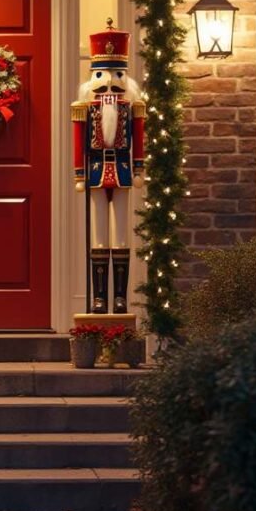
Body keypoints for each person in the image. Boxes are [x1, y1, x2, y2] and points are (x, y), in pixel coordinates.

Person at [71, 20, 145, 313]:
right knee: (99, 234)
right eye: (103, 75)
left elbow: (138, 138)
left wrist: (138, 169)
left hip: (123, 172)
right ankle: (100, 297)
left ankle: (120, 297)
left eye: (116, 75)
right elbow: (79, 141)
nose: (109, 85)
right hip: (96, 172)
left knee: (122, 234)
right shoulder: (86, 106)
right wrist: (79, 173)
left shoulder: (131, 105)